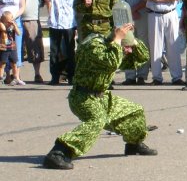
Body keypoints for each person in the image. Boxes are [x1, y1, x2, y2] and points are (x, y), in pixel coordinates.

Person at [42, 23, 157, 170]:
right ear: (115, 40)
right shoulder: (94, 47)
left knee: (134, 111)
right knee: (97, 120)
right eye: (126, 47)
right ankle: (59, 152)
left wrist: (132, 41)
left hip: (101, 97)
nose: (128, 51)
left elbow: (142, 58)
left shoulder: (113, 48)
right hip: (83, 97)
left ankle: (134, 144)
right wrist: (118, 40)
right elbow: (111, 63)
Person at [143, 0, 183, 85]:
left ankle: (176, 77)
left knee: (173, 46)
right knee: (155, 47)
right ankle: (157, 78)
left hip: (170, 14)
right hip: (154, 15)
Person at [118, 0, 150, 85]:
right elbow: (120, 0)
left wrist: (135, 9)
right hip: (127, 18)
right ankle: (130, 76)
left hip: (143, 16)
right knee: (128, 45)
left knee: (142, 45)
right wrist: (130, 13)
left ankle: (142, 75)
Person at [44, 0, 78, 85]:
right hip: (55, 22)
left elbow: (77, 4)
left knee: (70, 51)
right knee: (54, 51)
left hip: (69, 22)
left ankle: (71, 76)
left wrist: (77, 23)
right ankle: (55, 76)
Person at [17, 0, 50, 83]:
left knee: (35, 47)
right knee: (16, 48)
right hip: (16, 19)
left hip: (32, 19)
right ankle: (16, 75)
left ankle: (37, 74)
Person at [0, 0, 25, 71]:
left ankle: (16, 75)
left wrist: (13, 18)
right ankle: (6, 74)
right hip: (2, 23)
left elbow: (22, 7)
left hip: (15, 21)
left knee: (16, 48)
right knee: (3, 48)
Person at [0, 10, 23, 85]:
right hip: (4, 48)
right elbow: (4, 29)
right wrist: (5, 23)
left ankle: (16, 78)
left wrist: (15, 26)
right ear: (4, 20)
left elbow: (19, 33)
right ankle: (1, 78)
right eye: (8, 20)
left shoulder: (13, 25)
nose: (10, 21)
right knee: (2, 63)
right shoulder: (1, 25)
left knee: (14, 63)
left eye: (11, 19)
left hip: (12, 47)